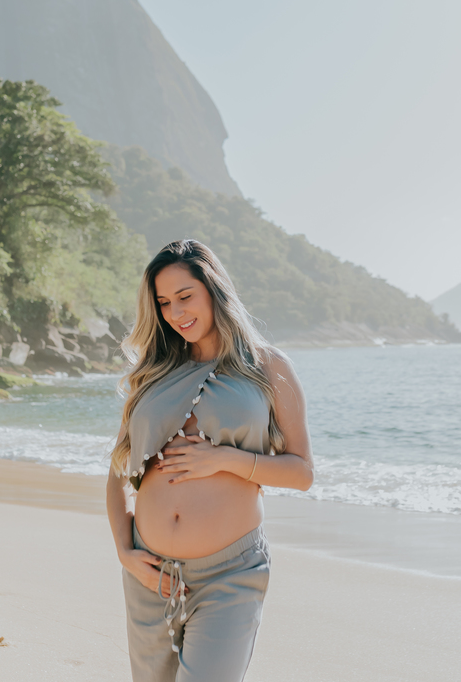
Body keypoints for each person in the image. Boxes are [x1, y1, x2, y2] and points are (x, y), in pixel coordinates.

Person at [106, 239, 314, 682]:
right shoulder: (154, 372)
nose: (176, 312)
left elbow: (302, 472)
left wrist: (223, 459)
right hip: (150, 574)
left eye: (185, 296)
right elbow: (117, 472)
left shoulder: (268, 367)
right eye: (164, 303)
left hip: (230, 575)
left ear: (214, 289)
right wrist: (124, 550)